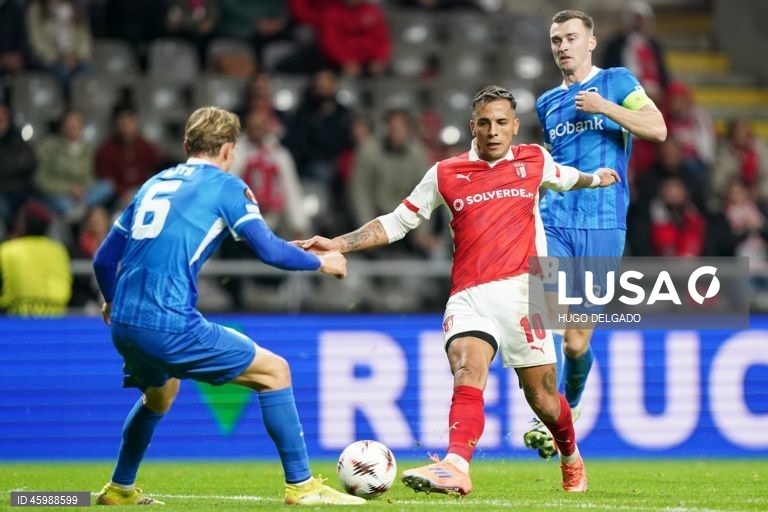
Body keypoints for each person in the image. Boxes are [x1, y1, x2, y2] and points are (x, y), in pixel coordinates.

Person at [298, 85, 620, 495]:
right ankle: (455, 465)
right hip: (469, 294)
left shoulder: (534, 160)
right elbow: (397, 222)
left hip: (531, 288)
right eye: (484, 123)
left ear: (514, 126)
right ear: (472, 126)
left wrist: (597, 179)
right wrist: (338, 243)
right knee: (468, 368)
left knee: (543, 399)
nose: (493, 130)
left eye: (502, 122)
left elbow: (566, 178)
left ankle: (571, 457)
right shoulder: (445, 173)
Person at [91, 106, 364, 506]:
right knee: (275, 372)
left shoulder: (154, 183)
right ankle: (302, 487)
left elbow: (102, 259)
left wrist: (113, 300)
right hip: (169, 323)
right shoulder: (226, 186)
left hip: (126, 323)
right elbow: (267, 250)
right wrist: (322, 261)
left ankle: (118, 490)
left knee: (160, 395)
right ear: (228, 150)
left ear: (186, 145)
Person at [525, 9, 667, 459]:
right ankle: (546, 417)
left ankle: (571, 404)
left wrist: (603, 106)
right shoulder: (546, 102)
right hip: (554, 222)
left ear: (590, 42)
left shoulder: (618, 81)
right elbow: (557, 164)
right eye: (555, 40)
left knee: (576, 340)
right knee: (544, 325)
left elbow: (658, 128)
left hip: (604, 224)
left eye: (570, 38)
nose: (562, 46)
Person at [0, 200, 72, 316]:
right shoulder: (59, 250)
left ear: (22, 224)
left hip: (14, 320)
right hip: (55, 320)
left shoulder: (7, 249)